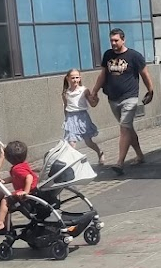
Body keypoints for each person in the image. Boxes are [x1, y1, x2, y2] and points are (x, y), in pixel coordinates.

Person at [89, 28, 154, 176]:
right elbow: (103, 75)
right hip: (113, 99)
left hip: (130, 97)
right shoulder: (108, 55)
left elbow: (145, 74)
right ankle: (140, 155)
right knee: (128, 128)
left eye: (116, 40)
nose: (113, 43)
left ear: (123, 40)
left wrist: (150, 91)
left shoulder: (134, 56)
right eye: (111, 40)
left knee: (124, 128)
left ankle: (119, 163)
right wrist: (94, 91)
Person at [0, 140, 38, 237]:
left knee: (5, 201)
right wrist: (3, 181)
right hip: (29, 191)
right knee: (6, 199)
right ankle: (6, 225)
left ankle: (0, 223)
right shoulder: (22, 165)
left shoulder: (17, 169)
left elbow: (29, 177)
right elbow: (14, 178)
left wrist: (25, 191)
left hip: (25, 193)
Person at [61, 69, 104, 165]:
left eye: (77, 77)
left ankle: (99, 152)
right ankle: (73, 163)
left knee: (88, 141)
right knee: (72, 142)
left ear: (80, 78)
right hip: (71, 118)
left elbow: (92, 104)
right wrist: (66, 119)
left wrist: (96, 99)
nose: (75, 80)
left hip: (82, 117)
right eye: (72, 78)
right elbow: (66, 107)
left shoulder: (84, 90)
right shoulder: (66, 93)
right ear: (68, 78)